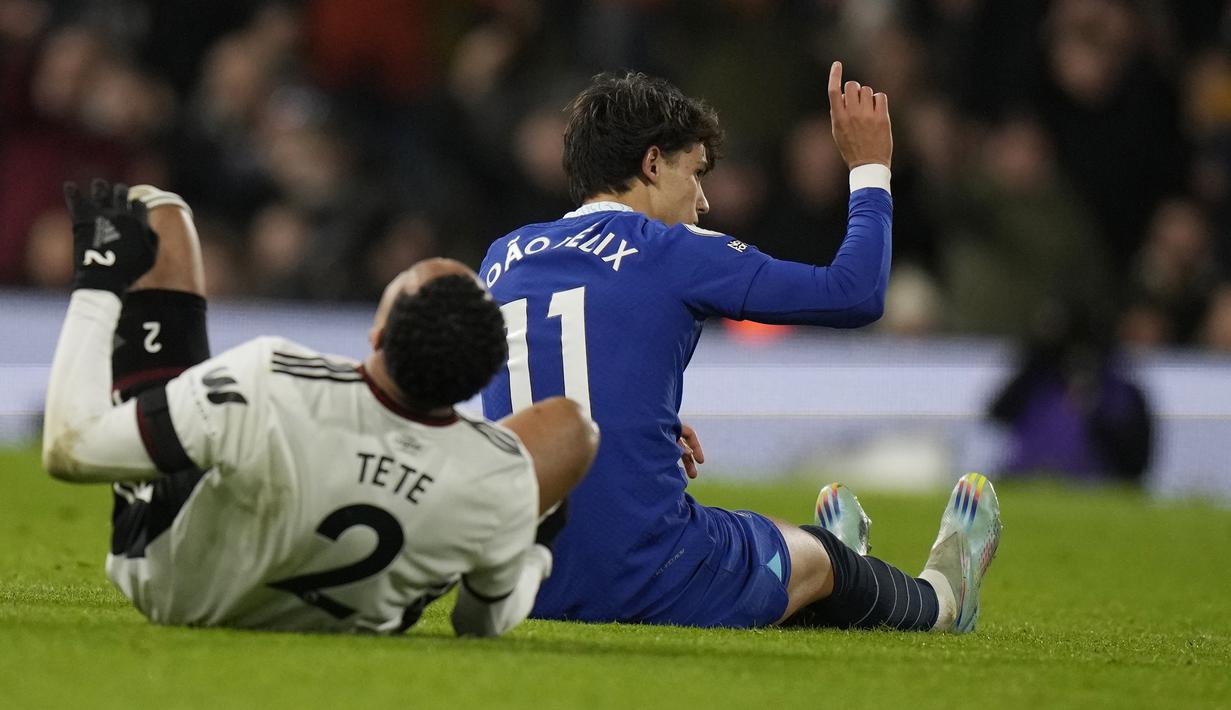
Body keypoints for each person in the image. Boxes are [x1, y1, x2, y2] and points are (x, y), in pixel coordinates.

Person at [479, 63, 1001, 632]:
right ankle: (940, 600)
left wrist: (633, 424)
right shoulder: (671, 249)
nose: (702, 200)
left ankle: (823, 573)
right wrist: (870, 168)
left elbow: (526, 390)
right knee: (813, 560)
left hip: (527, 585)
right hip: (643, 579)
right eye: (695, 172)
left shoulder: (505, 257)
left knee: (758, 540)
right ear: (652, 163)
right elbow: (855, 294)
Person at [42, 179, 598, 636]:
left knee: (157, 215)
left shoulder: (273, 376)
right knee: (572, 429)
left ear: (378, 332)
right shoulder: (499, 476)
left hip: (172, 584)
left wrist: (96, 285)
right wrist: (533, 549)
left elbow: (71, 450)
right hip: (357, 604)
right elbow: (481, 623)